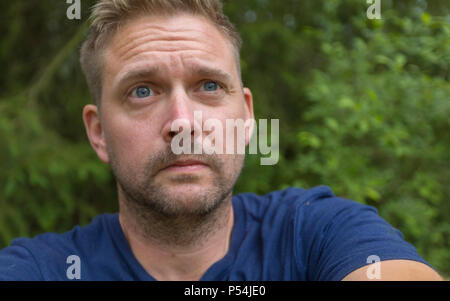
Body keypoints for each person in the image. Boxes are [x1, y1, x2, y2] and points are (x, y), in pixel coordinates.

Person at [0, 0, 442, 281]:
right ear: (98, 133)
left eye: (209, 86)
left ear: (246, 116)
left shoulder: (317, 233)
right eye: (142, 91)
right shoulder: (43, 269)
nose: (182, 122)